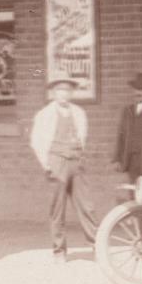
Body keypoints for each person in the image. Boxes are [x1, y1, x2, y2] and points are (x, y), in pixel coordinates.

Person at [29, 77, 100, 260]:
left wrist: (79, 156)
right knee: (57, 208)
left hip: (76, 161)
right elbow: (36, 141)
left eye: (67, 91)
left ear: (71, 93)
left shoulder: (78, 112)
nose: (63, 94)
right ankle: (59, 250)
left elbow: (82, 137)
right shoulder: (44, 114)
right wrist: (47, 164)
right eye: (60, 90)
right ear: (53, 93)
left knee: (86, 206)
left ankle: (96, 245)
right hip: (56, 161)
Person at [111, 72, 142, 182]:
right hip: (131, 161)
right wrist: (117, 158)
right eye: (136, 89)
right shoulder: (127, 111)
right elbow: (121, 136)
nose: (138, 92)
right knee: (133, 191)